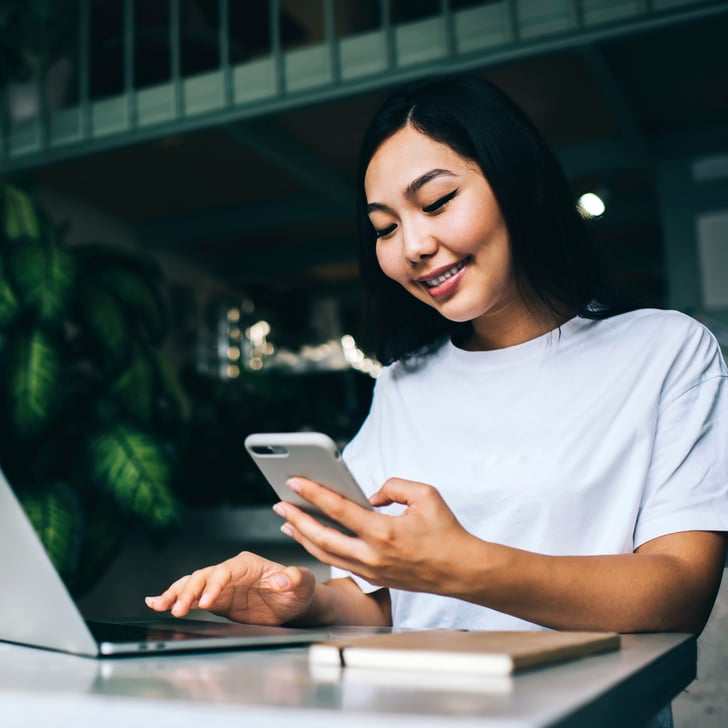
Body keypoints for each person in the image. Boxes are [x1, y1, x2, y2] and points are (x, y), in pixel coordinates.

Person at [146, 76, 727, 642]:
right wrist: (308, 601)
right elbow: (385, 604)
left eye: (438, 201)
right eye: (385, 227)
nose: (413, 247)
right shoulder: (403, 384)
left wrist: (464, 566)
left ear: (523, 185)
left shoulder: (665, 351)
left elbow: (680, 594)